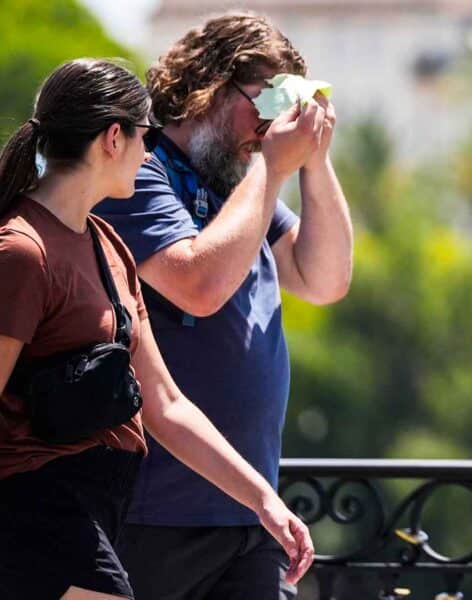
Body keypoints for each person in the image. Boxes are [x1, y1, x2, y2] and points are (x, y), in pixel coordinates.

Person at [0, 58, 314, 600]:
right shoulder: (22, 250)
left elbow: (165, 403)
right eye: (146, 137)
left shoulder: (109, 247)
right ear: (113, 138)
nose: (150, 155)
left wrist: (263, 498)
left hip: (98, 509)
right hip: (35, 511)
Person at [93, 11, 353, 600]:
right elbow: (198, 286)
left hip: (250, 510)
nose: (269, 125)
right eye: (263, 102)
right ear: (207, 83)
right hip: (153, 510)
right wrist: (271, 164)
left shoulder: (237, 187)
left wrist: (314, 159)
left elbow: (325, 278)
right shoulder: (137, 172)